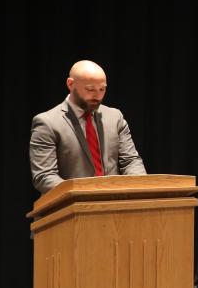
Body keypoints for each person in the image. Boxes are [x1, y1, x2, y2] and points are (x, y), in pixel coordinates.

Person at [30, 60, 146, 194]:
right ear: (70, 84)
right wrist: (85, 194)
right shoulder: (47, 123)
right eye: (90, 89)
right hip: (72, 207)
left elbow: (130, 161)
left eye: (102, 89)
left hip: (115, 204)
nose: (97, 95)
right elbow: (44, 176)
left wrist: (138, 189)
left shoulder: (115, 117)